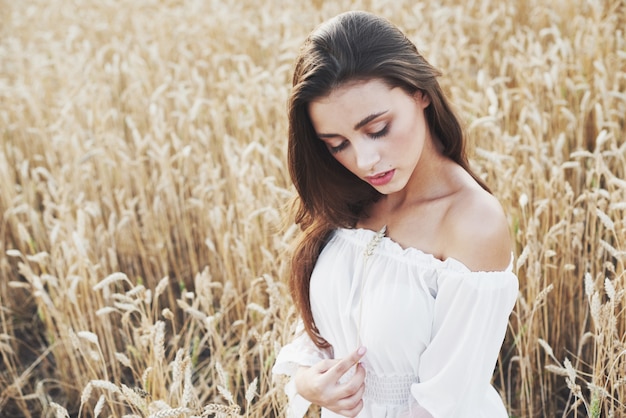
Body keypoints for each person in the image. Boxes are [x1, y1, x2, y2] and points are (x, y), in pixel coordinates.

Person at [272, 10, 519, 418]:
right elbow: (320, 331)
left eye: (378, 129)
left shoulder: (473, 223)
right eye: (337, 144)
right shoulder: (348, 197)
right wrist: (307, 383)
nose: (365, 161)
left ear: (419, 92)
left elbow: (446, 401)